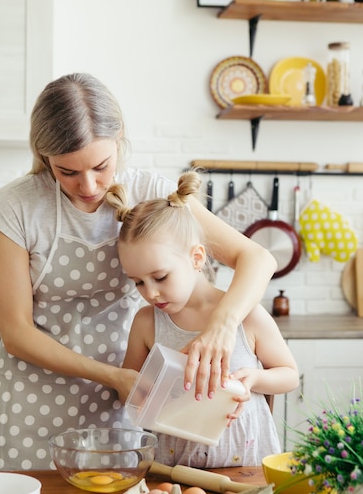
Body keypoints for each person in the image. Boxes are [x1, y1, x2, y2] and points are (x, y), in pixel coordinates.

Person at [0, 72, 276, 471]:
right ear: (44, 156)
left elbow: (258, 258)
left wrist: (223, 323)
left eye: (101, 165)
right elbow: (17, 334)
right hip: (32, 410)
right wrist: (112, 376)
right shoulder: (16, 208)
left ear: (119, 140)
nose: (89, 185)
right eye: (67, 172)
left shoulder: (151, 192)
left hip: (128, 403)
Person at [107, 171, 299, 467]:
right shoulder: (146, 323)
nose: (151, 293)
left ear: (196, 258)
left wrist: (256, 379)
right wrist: (147, 394)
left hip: (245, 463)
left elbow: (288, 374)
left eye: (160, 277)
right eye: (138, 282)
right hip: (174, 468)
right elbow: (130, 392)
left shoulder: (247, 314)